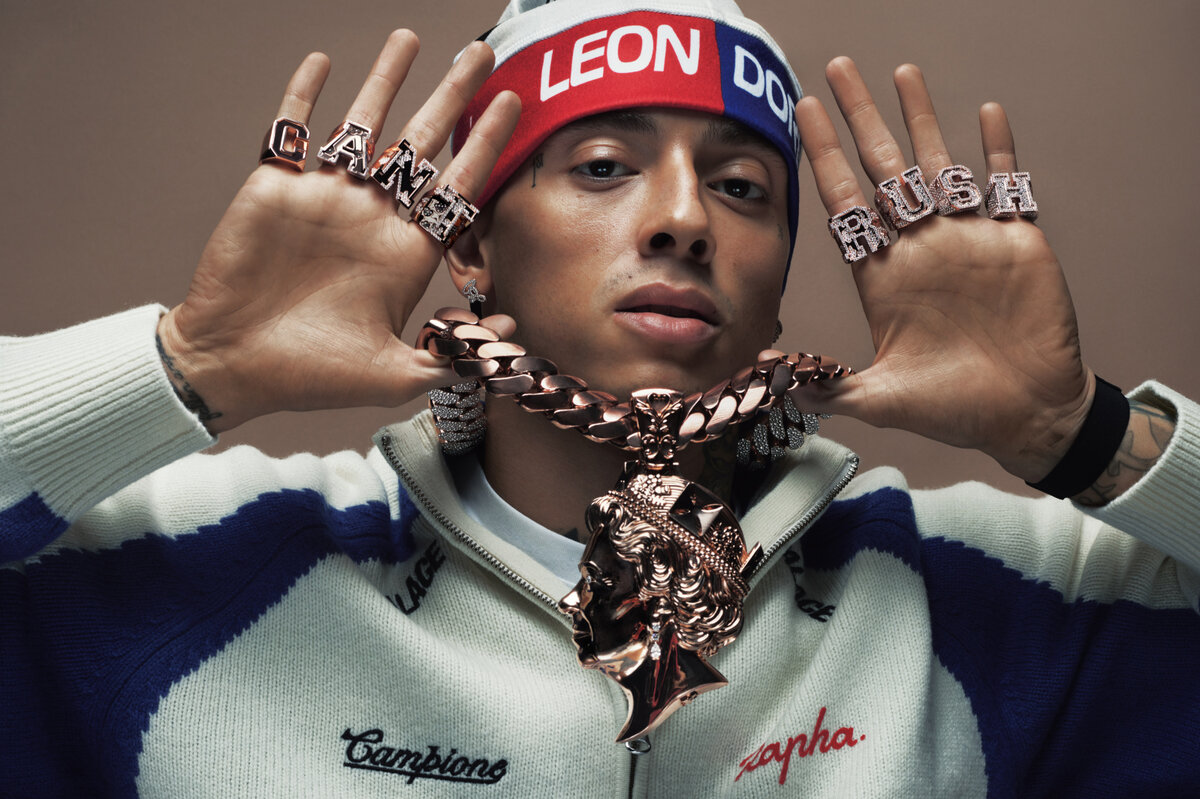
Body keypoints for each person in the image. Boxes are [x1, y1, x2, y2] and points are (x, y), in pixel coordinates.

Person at [2, 0, 1197, 795]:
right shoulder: (208, 566)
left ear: (781, 278)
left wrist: (1079, 433)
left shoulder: (972, 594)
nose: (682, 218)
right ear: (470, 241)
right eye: (604, 166)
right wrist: (190, 365)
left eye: (742, 187)